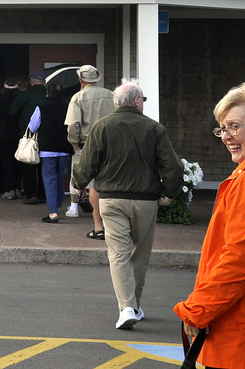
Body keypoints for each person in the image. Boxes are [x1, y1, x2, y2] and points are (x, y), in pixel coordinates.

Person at [73, 78, 183, 330]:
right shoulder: (154, 128)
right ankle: (134, 306)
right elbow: (173, 166)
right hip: (146, 200)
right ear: (136, 101)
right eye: (143, 99)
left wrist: (78, 183)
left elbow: (87, 163)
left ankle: (127, 307)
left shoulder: (102, 126)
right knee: (139, 255)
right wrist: (170, 192)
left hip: (111, 199)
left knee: (118, 254)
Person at [174, 82, 245, 368]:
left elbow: (238, 260)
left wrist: (196, 311)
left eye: (235, 126)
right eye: (222, 129)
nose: (227, 136)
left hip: (236, 333)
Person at [65, 64, 115, 239]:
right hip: (110, 144)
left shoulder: (78, 97)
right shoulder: (111, 95)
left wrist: (74, 144)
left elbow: (73, 125)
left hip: (87, 144)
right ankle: (111, 224)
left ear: (81, 80)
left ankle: (97, 225)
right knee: (109, 183)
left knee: (91, 185)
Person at [29, 79, 74, 223]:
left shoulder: (42, 106)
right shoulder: (68, 107)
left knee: (49, 180)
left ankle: (53, 212)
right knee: (60, 179)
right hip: (64, 148)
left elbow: (33, 126)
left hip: (47, 149)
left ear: (48, 92)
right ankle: (57, 206)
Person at [11, 71, 47, 205]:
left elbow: (12, 112)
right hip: (47, 136)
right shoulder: (49, 96)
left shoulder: (24, 95)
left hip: (28, 136)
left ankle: (31, 195)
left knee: (29, 166)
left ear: (31, 81)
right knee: (45, 167)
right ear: (44, 82)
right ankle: (43, 195)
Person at [0, 79, 22, 200]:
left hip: (4, 136)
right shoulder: (20, 100)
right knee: (19, 163)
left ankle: (9, 190)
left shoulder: (0, 101)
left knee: (7, 164)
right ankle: (18, 188)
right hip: (19, 136)